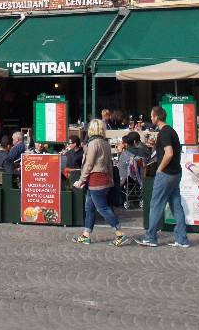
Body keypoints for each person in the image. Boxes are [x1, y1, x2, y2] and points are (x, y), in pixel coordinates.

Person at [136, 106, 189, 249]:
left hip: (166, 173)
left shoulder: (164, 132)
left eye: (151, 116)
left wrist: (160, 168)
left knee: (156, 204)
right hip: (176, 173)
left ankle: (151, 237)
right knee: (176, 205)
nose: (150, 118)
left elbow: (169, 153)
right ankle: (182, 239)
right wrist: (156, 145)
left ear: (156, 117)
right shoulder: (170, 131)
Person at [72, 119, 127, 246]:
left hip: (95, 180)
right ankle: (86, 235)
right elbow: (109, 164)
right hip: (103, 178)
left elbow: (89, 164)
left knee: (102, 208)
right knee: (89, 208)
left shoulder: (93, 144)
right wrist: (111, 179)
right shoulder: (105, 143)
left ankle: (120, 234)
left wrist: (81, 180)